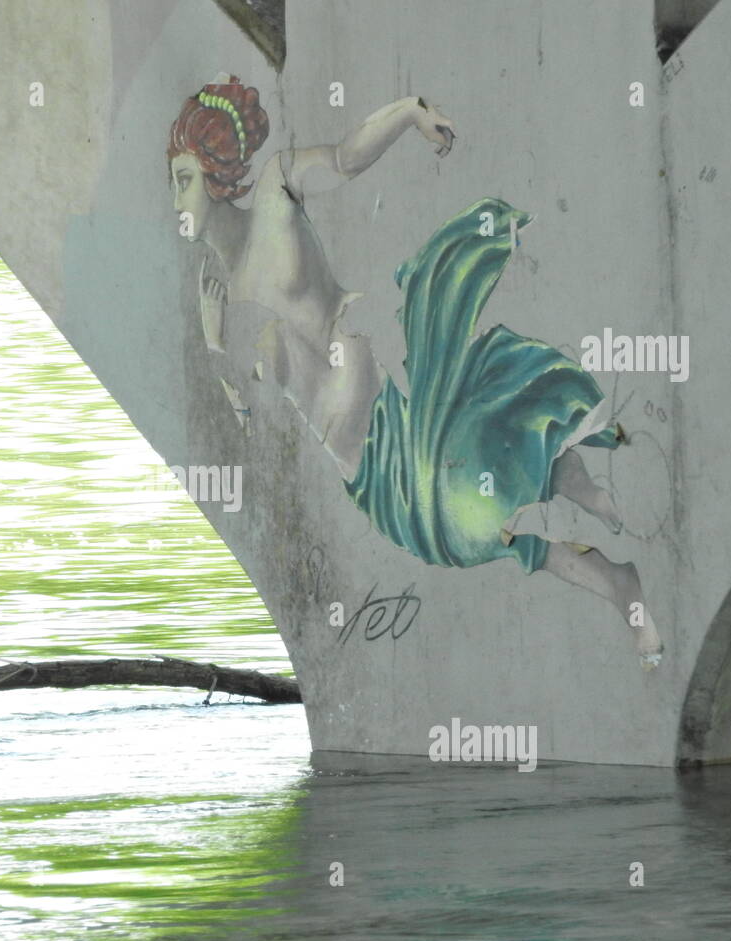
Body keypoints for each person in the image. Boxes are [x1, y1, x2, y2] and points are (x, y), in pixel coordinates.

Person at [167, 75, 663, 668]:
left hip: (389, 417)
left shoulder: (276, 191)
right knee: (468, 535)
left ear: (219, 174)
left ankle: (605, 554)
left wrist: (409, 112)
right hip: (368, 477)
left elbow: (347, 158)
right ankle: (593, 530)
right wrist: (220, 346)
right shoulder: (215, 298)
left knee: (478, 514)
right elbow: (250, 420)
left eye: (185, 181)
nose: (178, 202)